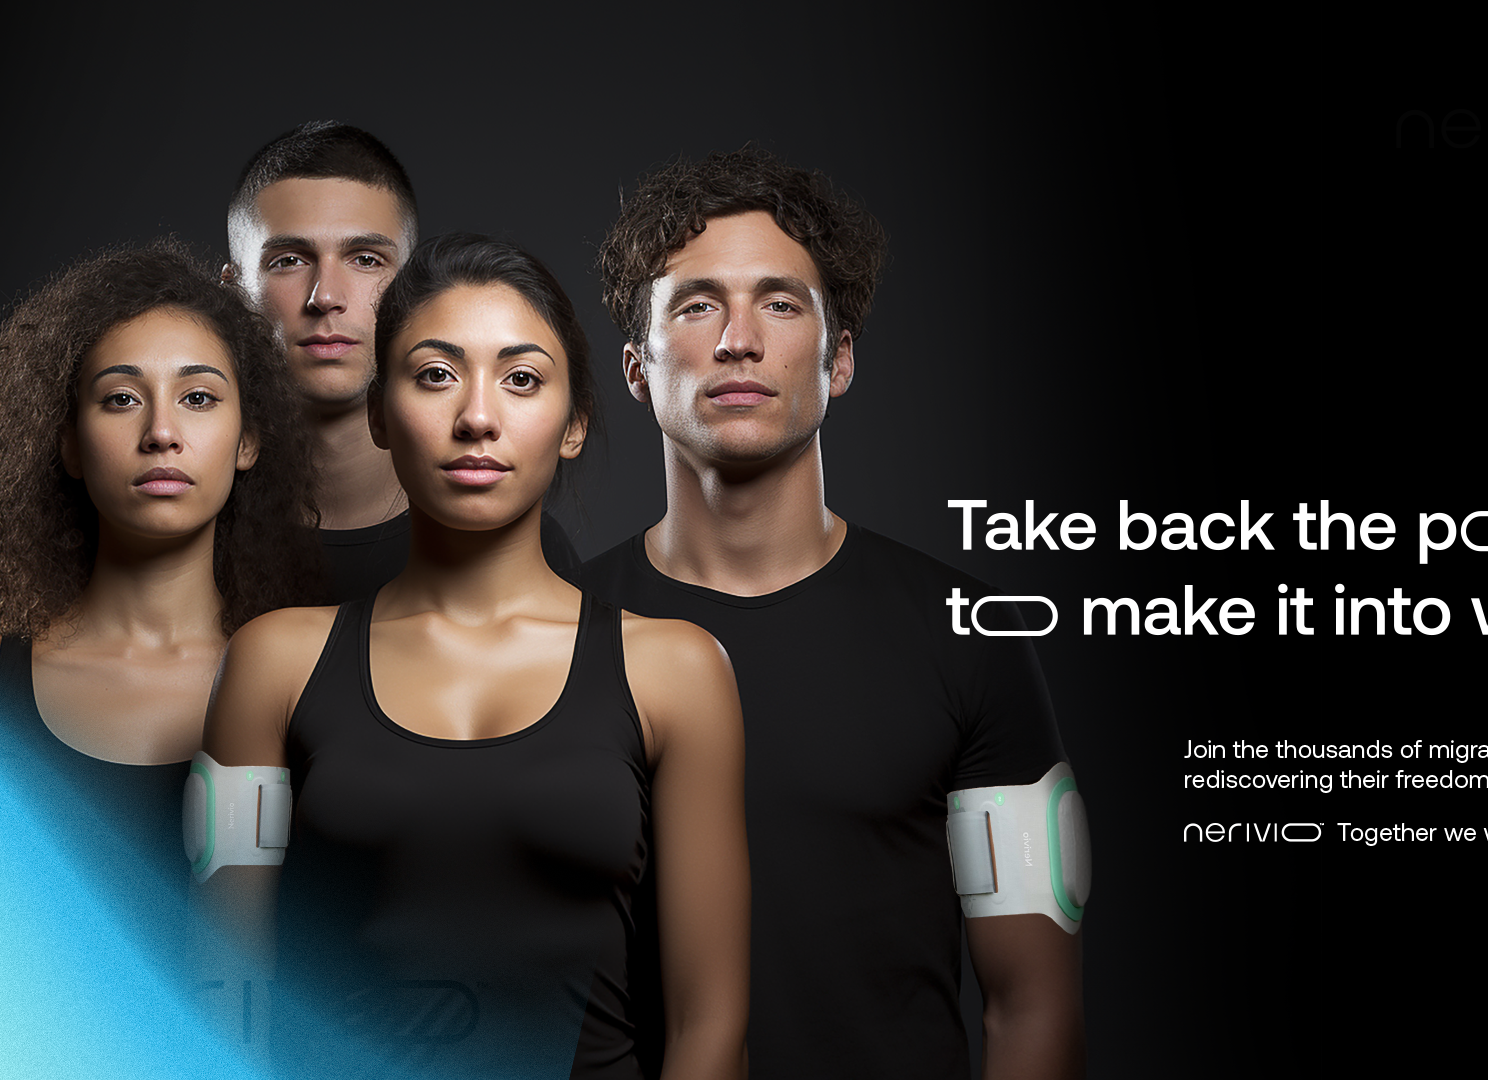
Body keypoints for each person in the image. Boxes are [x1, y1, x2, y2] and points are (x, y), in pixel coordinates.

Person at [583, 149, 1086, 1079]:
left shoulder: (967, 633)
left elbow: (1034, 1004)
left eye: (780, 303)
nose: (738, 339)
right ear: (636, 369)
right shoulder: (555, 631)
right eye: (696, 304)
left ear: (839, 357)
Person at [195, 234, 748, 1079]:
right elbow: (220, 988)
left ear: (575, 425)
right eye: (435, 374)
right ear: (380, 413)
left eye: (521, 379)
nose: (478, 417)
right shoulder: (273, 665)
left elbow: (710, 1023)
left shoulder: (676, 671)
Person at [0, 240, 322, 961]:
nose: (161, 433)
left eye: (198, 398)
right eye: (121, 398)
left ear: (248, 440)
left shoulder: (308, 687)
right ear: (68, 443)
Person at [225, 120, 582, 598]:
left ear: (415, 285)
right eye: (288, 260)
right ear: (231, 290)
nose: (326, 296)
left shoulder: (525, 547)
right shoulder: (182, 530)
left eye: (366, 259)